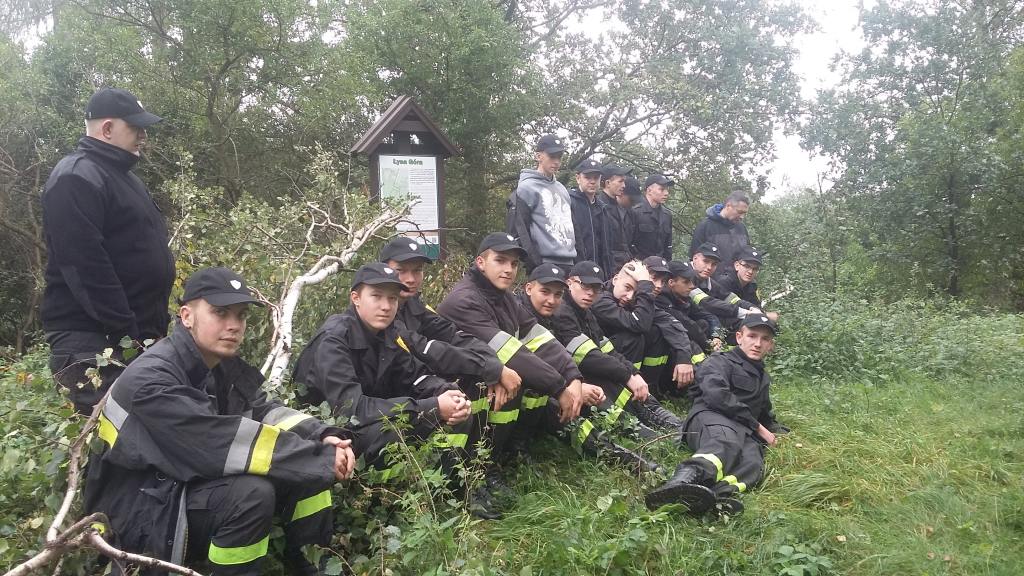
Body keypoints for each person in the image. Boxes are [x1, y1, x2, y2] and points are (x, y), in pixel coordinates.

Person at [85, 267, 354, 576]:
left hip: (174, 484)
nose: (234, 325)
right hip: (135, 512)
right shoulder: (152, 379)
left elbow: (264, 411)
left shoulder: (217, 365)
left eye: (240, 315)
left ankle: (315, 567)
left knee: (307, 473)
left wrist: (322, 436)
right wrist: (315, 458)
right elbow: (215, 444)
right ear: (187, 316)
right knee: (252, 495)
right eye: (220, 312)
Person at [42, 87, 175, 415]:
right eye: (136, 127)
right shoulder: (75, 176)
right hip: (92, 344)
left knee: (146, 434)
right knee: (109, 437)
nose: (143, 135)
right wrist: (129, 335)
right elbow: (86, 268)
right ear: (107, 128)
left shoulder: (126, 180)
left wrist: (153, 335)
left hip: (133, 341)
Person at [436, 233, 585, 492]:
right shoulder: (465, 300)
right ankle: (466, 476)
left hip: (488, 372)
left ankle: (498, 459)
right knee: (510, 380)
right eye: (500, 260)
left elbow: (539, 340)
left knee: (520, 381)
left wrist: (573, 376)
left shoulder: (503, 297)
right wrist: (559, 388)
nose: (508, 269)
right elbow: (511, 353)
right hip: (453, 383)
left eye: (514, 264)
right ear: (481, 262)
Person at [292, 263, 470, 471]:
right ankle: (385, 491)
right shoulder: (333, 340)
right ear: (356, 298)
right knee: (393, 431)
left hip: (364, 421)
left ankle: (452, 483)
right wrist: (432, 406)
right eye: (376, 296)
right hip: (328, 433)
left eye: (392, 298)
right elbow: (352, 409)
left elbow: (415, 376)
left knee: (458, 410)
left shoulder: (386, 333)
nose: (386, 306)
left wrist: (447, 392)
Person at [646, 314, 788, 516]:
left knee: (753, 463)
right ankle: (680, 483)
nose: (758, 343)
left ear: (770, 345)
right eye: (752, 336)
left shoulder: (762, 377)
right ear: (739, 337)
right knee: (724, 442)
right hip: (711, 417)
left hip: (742, 429)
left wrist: (782, 436)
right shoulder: (719, 361)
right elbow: (717, 396)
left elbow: (765, 415)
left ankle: (713, 498)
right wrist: (757, 427)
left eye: (764, 339)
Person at [548, 260, 688, 436]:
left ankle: (656, 414)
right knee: (605, 378)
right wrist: (627, 376)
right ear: (569, 283)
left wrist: (633, 373)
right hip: (565, 379)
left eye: (596, 288)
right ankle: (636, 427)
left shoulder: (585, 311)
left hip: (578, 371)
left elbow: (608, 349)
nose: (590, 293)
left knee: (616, 370)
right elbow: (587, 356)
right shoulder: (563, 310)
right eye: (585, 286)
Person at [506, 134, 576, 271]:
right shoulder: (526, 188)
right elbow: (519, 230)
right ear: (538, 156)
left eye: (559, 157)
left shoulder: (562, 189)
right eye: (552, 156)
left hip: (570, 262)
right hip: (544, 264)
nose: (556, 161)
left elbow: (574, 228)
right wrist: (534, 263)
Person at [640, 256, 699, 399]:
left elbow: (673, 325)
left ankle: (653, 390)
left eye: (662, 281)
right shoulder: (606, 298)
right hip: (610, 376)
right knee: (651, 334)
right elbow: (636, 323)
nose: (659, 285)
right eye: (654, 278)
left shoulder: (649, 302)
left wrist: (684, 359)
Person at [689, 242, 762, 335]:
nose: (709, 267)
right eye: (706, 261)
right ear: (695, 258)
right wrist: (746, 313)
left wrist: (753, 308)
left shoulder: (710, 282)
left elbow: (731, 298)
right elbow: (706, 302)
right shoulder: (684, 275)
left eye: (714, 264)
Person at [659, 260, 722, 358]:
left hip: (683, 341)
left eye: (691, 281)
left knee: (703, 323)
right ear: (671, 282)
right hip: (665, 348)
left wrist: (717, 336)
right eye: (686, 282)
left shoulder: (683, 297)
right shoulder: (661, 299)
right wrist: (710, 348)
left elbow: (709, 315)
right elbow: (688, 324)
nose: (692, 286)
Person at [714, 246, 778, 323]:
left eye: (755, 269)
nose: (750, 271)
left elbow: (756, 308)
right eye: (747, 266)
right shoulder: (724, 282)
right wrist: (765, 315)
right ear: (737, 266)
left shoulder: (752, 286)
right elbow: (722, 311)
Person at [689, 190, 751, 269]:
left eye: (744, 213)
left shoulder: (742, 229)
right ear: (728, 206)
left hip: (736, 277)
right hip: (710, 276)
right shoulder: (705, 226)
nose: (742, 217)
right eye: (740, 212)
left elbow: (747, 258)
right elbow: (694, 259)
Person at [568, 158, 609, 267]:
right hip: (576, 267)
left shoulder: (602, 208)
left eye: (596, 178)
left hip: (598, 269)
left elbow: (605, 246)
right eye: (587, 177)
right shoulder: (569, 202)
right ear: (578, 178)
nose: (592, 181)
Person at [595, 164, 634, 274]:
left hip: (623, 264)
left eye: (624, 181)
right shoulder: (598, 206)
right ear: (608, 183)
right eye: (620, 181)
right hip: (607, 266)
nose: (624, 185)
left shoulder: (621, 207)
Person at [631, 173, 674, 261]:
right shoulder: (635, 212)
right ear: (649, 190)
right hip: (639, 264)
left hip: (660, 265)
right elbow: (628, 244)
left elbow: (668, 247)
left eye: (667, 190)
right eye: (661, 189)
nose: (666, 193)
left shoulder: (667, 215)